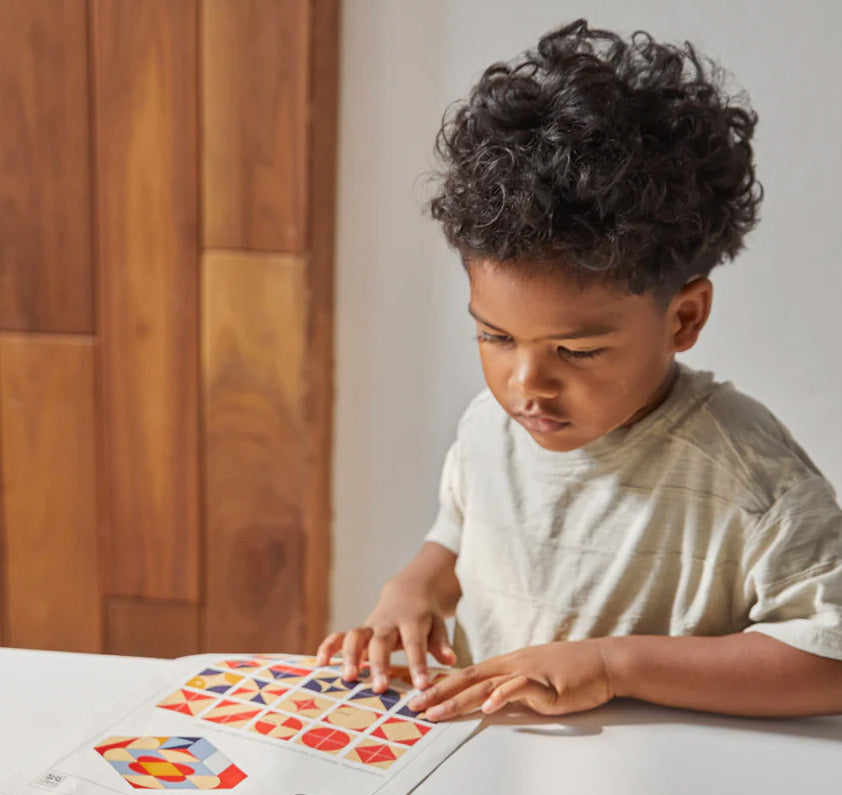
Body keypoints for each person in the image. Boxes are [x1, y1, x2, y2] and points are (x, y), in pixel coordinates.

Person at [316, 19, 842, 721]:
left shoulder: (748, 475)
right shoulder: (489, 428)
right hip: (491, 767)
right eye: (495, 336)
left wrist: (610, 663)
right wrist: (417, 586)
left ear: (683, 319)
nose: (525, 384)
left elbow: (828, 661)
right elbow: (460, 528)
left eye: (577, 350)